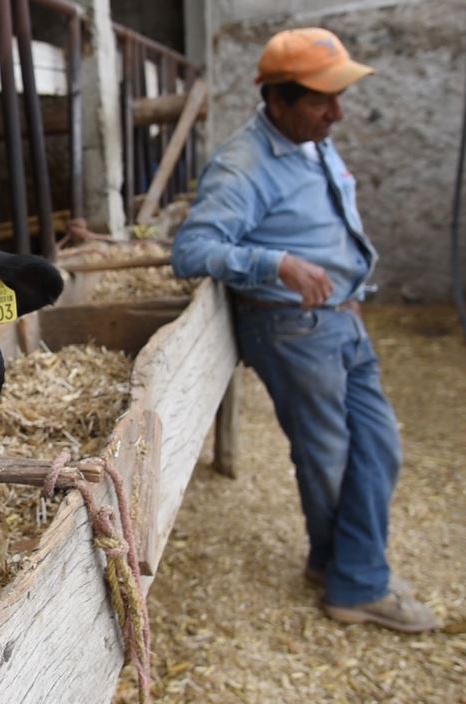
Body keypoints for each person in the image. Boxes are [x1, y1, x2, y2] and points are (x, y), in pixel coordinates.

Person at [171, 27, 438, 633]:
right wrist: (277, 263)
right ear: (279, 101)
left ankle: (334, 563)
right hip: (292, 328)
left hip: (341, 319)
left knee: (379, 447)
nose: (337, 113)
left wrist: (351, 289)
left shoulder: (311, 138)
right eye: (323, 101)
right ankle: (358, 586)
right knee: (329, 458)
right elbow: (191, 250)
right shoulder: (243, 166)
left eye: (337, 98)